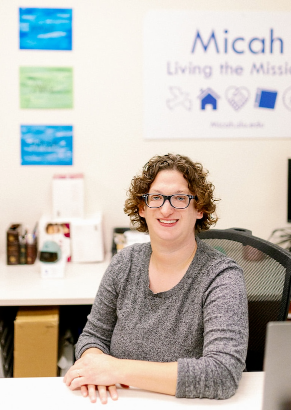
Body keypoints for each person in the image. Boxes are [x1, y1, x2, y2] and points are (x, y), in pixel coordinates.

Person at [64, 153, 248, 403]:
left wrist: (114, 369)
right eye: (156, 198)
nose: (166, 209)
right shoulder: (124, 263)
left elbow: (222, 375)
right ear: (142, 208)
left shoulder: (221, 276)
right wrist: (93, 359)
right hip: (117, 401)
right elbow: (93, 338)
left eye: (181, 198)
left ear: (200, 210)